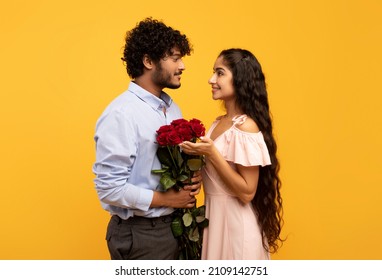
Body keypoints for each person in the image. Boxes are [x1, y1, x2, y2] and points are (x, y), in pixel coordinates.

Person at [92, 17, 201, 260]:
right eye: (174, 58)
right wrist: (168, 199)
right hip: (142, 236)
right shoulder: (122, 114)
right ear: (148, 61)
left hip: (175, 227)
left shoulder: (172, 108)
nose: (182, 65)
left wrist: (191, 180)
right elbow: (109, 188)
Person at [179, 48, 283, 259]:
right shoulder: (218, 123)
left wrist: (212, 154)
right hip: (214, 221)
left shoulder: (246, 127)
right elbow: (216, 176)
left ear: (240, 78)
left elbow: (247, 193)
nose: (211, 79)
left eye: (220, 73)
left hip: (236, 228)